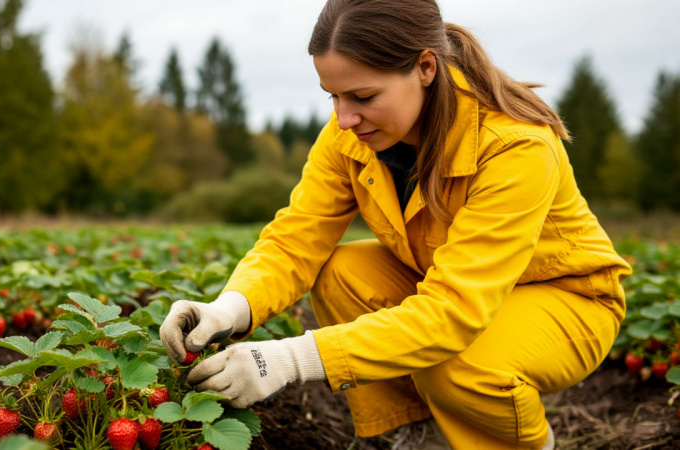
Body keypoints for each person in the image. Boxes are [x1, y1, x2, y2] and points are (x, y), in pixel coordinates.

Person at [159, 0, 632, 448]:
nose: (344, 118)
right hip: (446, 281)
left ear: (426, 67)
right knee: (339, 270)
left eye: (363, 95)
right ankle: (423, 435)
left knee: (457, 366)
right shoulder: (351, 131)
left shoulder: (514, 146)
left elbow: (453, 311)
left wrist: (287, 359)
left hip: (566, 297)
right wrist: (230, 308)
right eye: (333, 96)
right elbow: (296, 237)